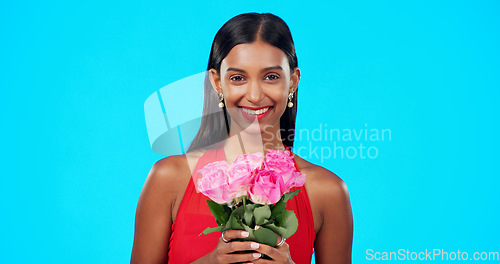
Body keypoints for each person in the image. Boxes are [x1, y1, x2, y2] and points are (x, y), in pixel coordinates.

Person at [131, 12, 353, 264]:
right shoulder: (170, 178)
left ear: (292, 81)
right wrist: (212, 261)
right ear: (217, 83)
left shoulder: (328, 191)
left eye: (271, 76)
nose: (255, 95)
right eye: (238, 78)